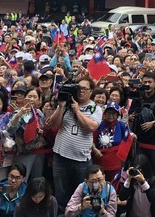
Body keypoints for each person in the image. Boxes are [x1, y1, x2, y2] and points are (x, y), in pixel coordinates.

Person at [48, 76, 102, 214]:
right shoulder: (66, 104)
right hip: (61, 156)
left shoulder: (95, 108)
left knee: (82, 195)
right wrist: (60, 107)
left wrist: (77, 110)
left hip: (82, 160)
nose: (81, 91)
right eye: (79, 88)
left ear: (91, 91)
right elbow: (53, 124)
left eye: (84, 88)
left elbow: (91, 127)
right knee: (61, 193)